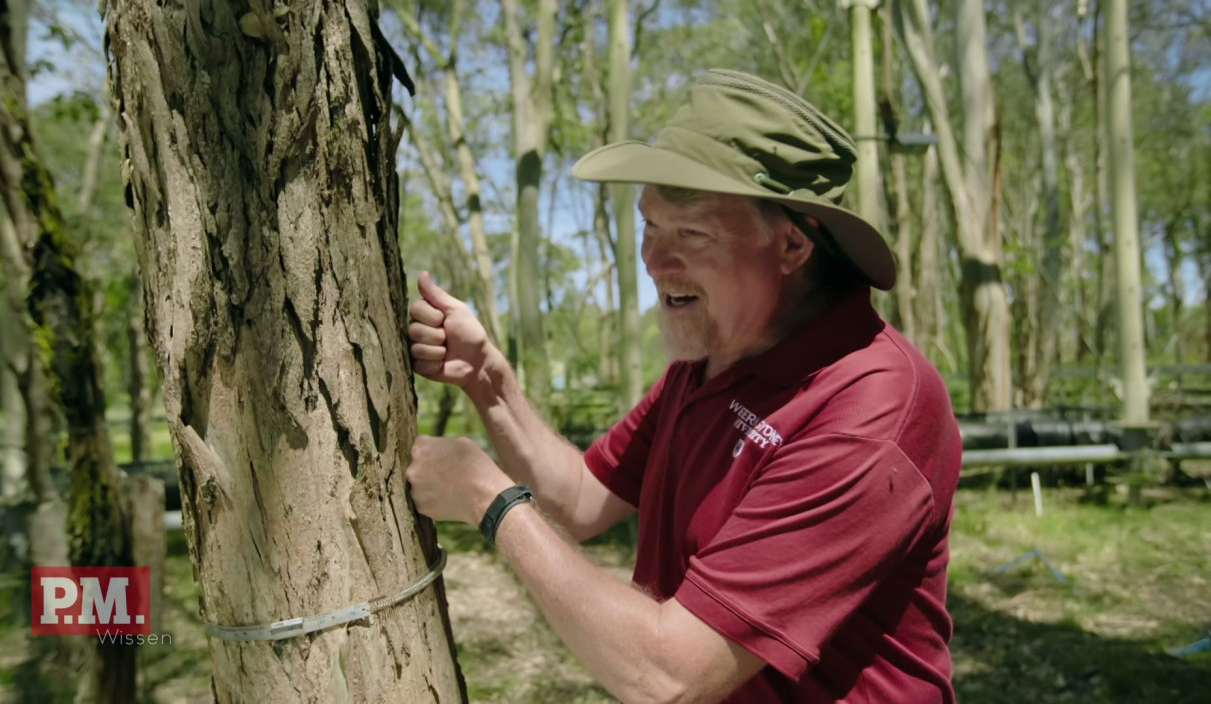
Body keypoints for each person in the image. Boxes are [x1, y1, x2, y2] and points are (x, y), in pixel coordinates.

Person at [405, 69, 961, 703]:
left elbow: (669, 675)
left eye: (692, 233)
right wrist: (489, 382)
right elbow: (583, 500)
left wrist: (488, 497)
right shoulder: (711, 362)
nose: (655, 260)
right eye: (650, 226)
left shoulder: (869, 405)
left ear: (791, 244)